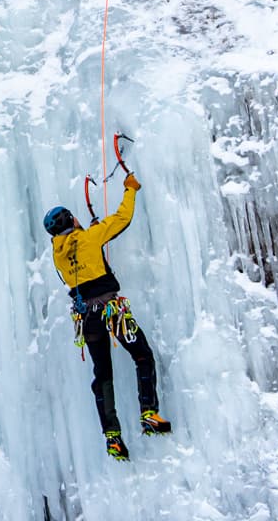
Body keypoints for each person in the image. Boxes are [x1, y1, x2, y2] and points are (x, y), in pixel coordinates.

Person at [45, 174, 172, 462]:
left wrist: (92, 234)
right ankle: (149, 414)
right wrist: (130, 190)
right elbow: (121, 219)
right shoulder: (90, 237)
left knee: (103, 373)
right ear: (70, 220)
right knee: (142, 355)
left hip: (87, 319)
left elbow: (79, 253)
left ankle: (113, 438)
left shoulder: (58, 255)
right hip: (111, 310)